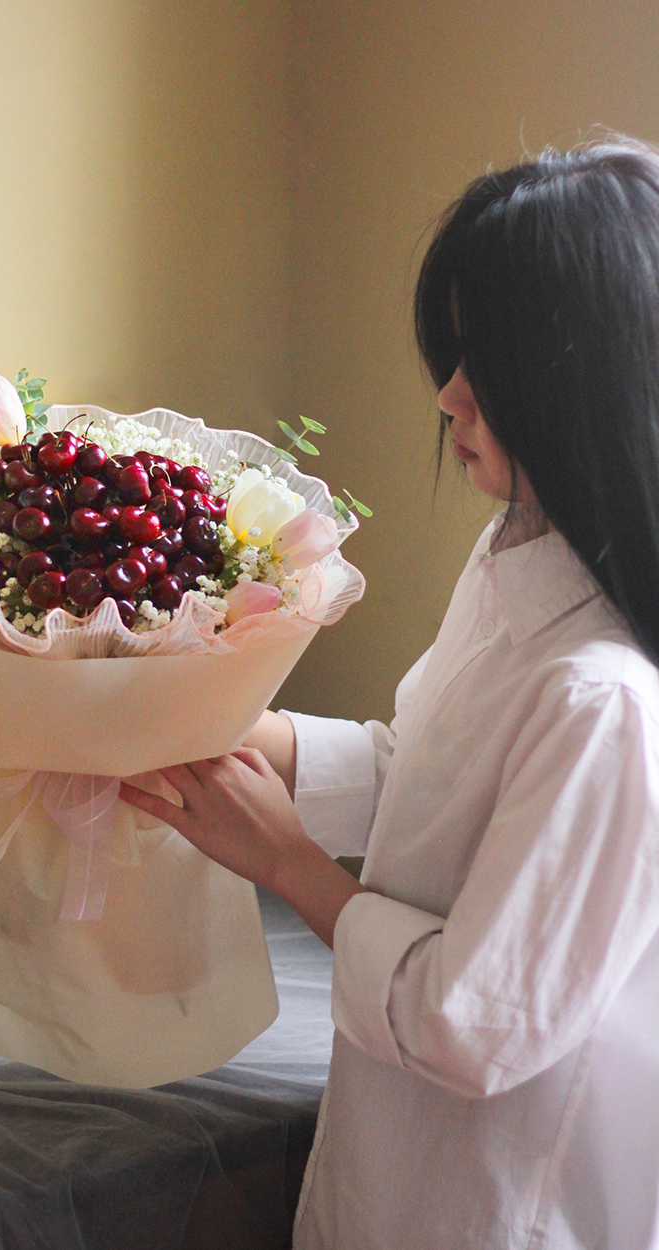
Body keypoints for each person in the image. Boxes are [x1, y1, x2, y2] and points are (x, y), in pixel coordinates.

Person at [121, 138, 659, 1250]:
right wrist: (233, 729)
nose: (450, 393)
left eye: (489, 358)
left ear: (587, 376)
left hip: (504, 1205)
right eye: (453, 348)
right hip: (392, 1172)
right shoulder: (517, 552)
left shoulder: (605, 700)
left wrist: (287, 864)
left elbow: (472, 1020)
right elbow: (424, 773)